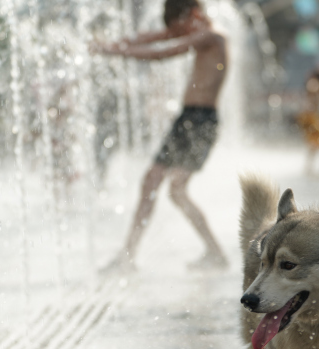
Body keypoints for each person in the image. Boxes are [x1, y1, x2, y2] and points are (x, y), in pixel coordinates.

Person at [90, 0, 228, 272]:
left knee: (163, 185)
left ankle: (130, 256)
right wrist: (116, 42)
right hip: (190, 118)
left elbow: (163, 53)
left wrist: (113, 51)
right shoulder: (200, 31)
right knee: (165, 186)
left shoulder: (213, 36)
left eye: (183, 25)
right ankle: (210, 253)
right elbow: (159, 37)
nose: (180, 32)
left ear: (196, 14)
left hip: (200, 120)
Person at [295, 69, 319, 177]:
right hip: (310, 117)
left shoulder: (316, 85)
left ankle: (310, 168)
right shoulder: (314, 84)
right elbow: (310, 90)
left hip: (311, 117)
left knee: (316, 143)